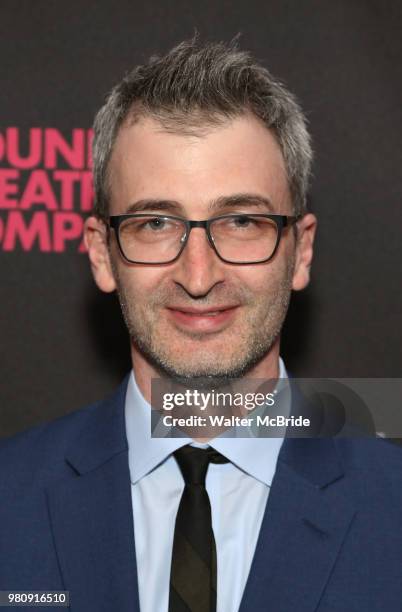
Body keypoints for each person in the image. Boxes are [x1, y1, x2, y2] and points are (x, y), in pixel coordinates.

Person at [1, 37, 402, 612]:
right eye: (156, 222)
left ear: (301, 250)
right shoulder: (8, 502)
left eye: (241, 221)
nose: (198, 274)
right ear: (100, 253)